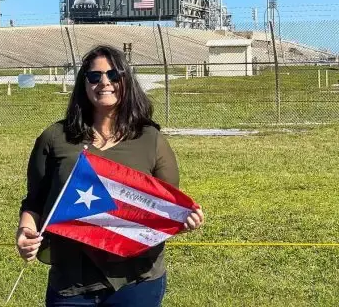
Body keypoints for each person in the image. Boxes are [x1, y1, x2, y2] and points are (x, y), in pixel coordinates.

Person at [16, 44, 204, 306]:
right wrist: (26, 232)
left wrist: (185, 221)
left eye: (114, 75)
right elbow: (35, 202)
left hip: (137, 280)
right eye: (95, 76)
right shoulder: (55, 138)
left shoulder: (150, 139)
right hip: (72, 281)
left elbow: (163, 209)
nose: (105, 82)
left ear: (126, 81)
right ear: (84, 83)